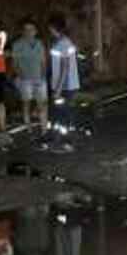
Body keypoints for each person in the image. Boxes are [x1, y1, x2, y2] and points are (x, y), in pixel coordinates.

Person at [44, 13, 81, 153]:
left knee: (64, 114)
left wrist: (58, 89)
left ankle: (67, 143)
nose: (49, 31)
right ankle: (60, 141)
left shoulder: (63, 43)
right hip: (65, 86)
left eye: (50, 28)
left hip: (65, 87)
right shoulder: (63, 42)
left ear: (53, 28)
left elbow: (65, 68)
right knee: (61, 114)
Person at [11, 19, 49, 130]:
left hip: (39, 78)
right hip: (25, 79)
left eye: (31, 29)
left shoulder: (40, 44)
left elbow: (43, 61)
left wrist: (43, 76)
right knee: (26, 104)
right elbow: (14, 64)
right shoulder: (17, 44)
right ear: (23, 31)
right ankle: (28, 127)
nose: (29, 32)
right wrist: (21, 76)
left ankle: (44, 128)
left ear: (35, 31)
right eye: (26, 29)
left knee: (42, 104)